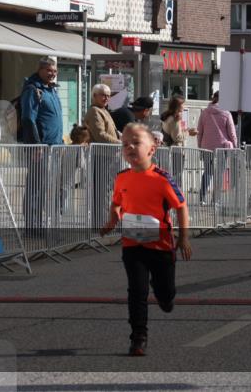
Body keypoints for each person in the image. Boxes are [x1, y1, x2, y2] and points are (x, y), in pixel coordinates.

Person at [101, 123, 191, 357]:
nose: (129, 147)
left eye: (136, 143)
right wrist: (112, 219)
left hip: (161, 246)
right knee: (136, 291)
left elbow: (181, 207)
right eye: (125, 144)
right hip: (133, 245)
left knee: (165, 294)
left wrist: (183, 237)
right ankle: (138, 337)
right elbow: (117, 202)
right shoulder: (122, 178)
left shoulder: (162, 179)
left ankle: (165, 296)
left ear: (152, 149)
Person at [20, 57, 63, 236]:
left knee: (43, 187)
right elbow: (28, 119)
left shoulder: (51, 90)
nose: (52, 74)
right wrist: (36, 145)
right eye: (48, 70)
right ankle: (32, 226)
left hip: (53, 147)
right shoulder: (33, 89)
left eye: (54, 71)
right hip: (40, 148)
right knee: (35, 187)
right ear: (40, 70)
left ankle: (38, 223)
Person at [196, 92, 238, 204]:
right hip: (221, 148)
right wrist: (235, 145)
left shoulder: (205, 112)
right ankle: (215, 200)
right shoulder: (226, 113)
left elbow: (199, 132)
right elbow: (232, 133)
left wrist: (200, 146)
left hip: (206, 147)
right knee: (219, 173)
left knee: (207, 172)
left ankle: (202, 198)